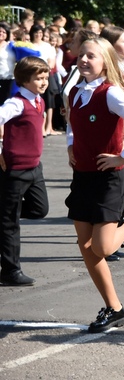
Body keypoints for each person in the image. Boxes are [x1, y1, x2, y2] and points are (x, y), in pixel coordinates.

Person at [65, 37, 124, 331]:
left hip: (108, 178)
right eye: (82, 55)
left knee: (101, 246)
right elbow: (71, 124)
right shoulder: (75, 92)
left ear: (105, 61)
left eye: (92, 56)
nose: (84, 60)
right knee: (86, 247)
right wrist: (70, 146)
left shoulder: (111, 93)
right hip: (82, 176)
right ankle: (114, 308)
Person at [0, 57, 51, 286]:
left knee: (40, 209)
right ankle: (10, 271)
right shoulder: (16, 103)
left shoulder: (38, 100)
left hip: (34, 168)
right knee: (10, 223)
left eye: (45, 77)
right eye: (38, 79)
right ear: (24, 80)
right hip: (15, 170)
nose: (44, 82)